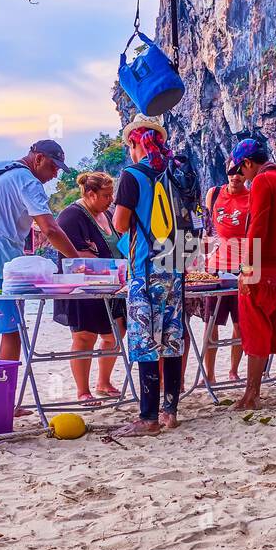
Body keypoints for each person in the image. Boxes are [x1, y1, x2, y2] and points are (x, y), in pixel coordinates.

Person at [0, 138, 81, 361]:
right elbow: (50, 230)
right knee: (11, 331)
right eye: (52, 167)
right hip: (0, 266)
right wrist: (78, 262)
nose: (55, 174)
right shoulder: (29, 182)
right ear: (38, 158)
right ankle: (5, 390)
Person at [111, 115, 187, 435]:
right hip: (176, 266)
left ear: (134, 143)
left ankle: (148, 417)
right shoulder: (176, 175)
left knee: (145, 341)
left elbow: (119, 224)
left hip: (145, 268)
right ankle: (169, 410)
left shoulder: (132, 175)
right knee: (171, 340)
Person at [231, 138, 276, 410]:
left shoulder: (261, 182)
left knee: (256, 329)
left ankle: (252, 394)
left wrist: (247, 270)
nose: (242, 176)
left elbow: (256, 228)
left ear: (249, 163)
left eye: (241, 169)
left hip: (264, 269)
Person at [53, 170, 125, 403]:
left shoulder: (108, 213)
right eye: (106, 195)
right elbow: (72, 256)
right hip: (82, 288)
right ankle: (82, 390)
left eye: (111, 195)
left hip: (112, 286)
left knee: (115, 333)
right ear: (90, 194)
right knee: (84, 337)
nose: (110, 200)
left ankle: (103, 381)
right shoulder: (71, 216)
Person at [198, 162, 250, 383]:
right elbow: (207, 226)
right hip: (216, 266)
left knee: (240, 324)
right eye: (231, 172)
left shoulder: (252, 197)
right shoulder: (215, 193)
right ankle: (208, 374)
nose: (235, 177)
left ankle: (234, 370)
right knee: (211, 322)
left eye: (239, 173)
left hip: (242, 264)